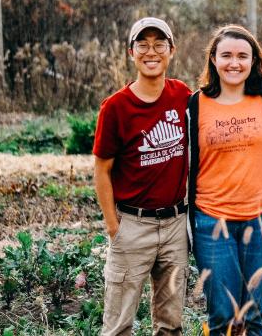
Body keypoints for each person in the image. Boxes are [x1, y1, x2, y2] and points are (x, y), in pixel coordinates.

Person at [187, 25, 262, 336]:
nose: (235, 63)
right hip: (211, 221)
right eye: (227, 55)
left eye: (243, 56)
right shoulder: (196, 104)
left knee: (253, 316)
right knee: (223, 316)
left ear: (254, 61)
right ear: (214, 60)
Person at [93, 17, 191, 336]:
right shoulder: (116, 108)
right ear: (130, 53)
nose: (152, 52)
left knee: (171, 322)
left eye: (159, 44)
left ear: (171, 51)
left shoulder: (182, 96)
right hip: (133, 224)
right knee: (119, 323)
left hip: (176, 223)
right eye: (143, 45)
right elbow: (102, 170)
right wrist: (113, 226)